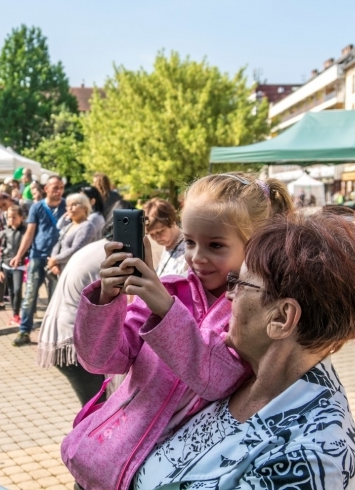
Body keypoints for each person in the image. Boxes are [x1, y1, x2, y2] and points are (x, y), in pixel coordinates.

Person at [62, 173, 293, 490]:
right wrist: (107, 298)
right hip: (102, 463)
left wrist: (166, 311)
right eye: (190, 241)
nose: (198, 257)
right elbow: (98, 360)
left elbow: (215, 380)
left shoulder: (255, 313)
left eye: (215, 245)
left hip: (164, 478)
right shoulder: (169, 290)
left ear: (255, 246)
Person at [128, 212, 355, 489]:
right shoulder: (240, 376)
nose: (228, 295)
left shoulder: (309, 459)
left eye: (239, 284)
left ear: (281, 317)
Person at [37, 232, 111, 406]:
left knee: (96, 408)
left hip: (60, 331)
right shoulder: (112, 256)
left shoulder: (97, 246)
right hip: (71, 341)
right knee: (97, 410)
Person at [11, 176, 67, 346]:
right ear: (46, 189)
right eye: (55, 187)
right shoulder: (37, 207)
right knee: (30, 295)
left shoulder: (68, 206)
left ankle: (52, 334)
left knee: (55, 298)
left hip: (58, 259)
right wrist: (19, 255)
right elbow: (29, 233)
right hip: (38, 256)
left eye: (61, 187)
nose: (58, 191)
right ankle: (24, 331)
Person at [47, 193, 96, 289]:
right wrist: (54, 264)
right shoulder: (69, 225)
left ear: (84, 208)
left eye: (74, 205)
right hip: (61, 271)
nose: (70, 208)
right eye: (68, 206)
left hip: (76, 274)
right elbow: (58, 244)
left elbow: (76, 249)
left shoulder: (87, 226)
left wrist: (55, 260)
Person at [0, 205, 28, 324]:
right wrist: (0, 269)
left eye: (14, 217)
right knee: (11, 290)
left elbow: (29, 248)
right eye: (9, 217)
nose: (11, 220)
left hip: (19, 265)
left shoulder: (26, 232)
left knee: (18, 290)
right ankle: (15, 315)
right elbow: (2, 250)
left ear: (21, 217)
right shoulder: (7, 231)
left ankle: (18, 314)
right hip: (6, 266)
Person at [143, 198, 188, 277]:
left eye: (160, 231)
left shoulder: (188, 248)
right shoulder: (168, 246)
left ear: (172, 221)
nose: (157, 237)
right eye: (152, 234)